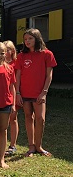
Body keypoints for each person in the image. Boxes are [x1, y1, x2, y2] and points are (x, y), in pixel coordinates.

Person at [15, 28, 56, 157]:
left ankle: (39, 146)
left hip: (39, 93)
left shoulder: (47, 54)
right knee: (28, 117)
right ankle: (31, 147)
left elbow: (49, 75)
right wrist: (17, 93)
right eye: (25, 39)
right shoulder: (21, 56)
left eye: (30, 38)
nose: (27, 41)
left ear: (37, 39)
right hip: (25, 93)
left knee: (40, 119)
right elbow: (18, 76)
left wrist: (44, 92)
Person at [3, 40, 19, 155]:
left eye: (7, 50)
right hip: (1, 96)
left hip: (13, 94)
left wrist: (17, 94)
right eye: (3, 50)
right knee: (3, 121)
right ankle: (1, 143)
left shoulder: (16, 63)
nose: (5, 52)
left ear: (12, 51)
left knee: (13, 119)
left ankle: (13, 145)